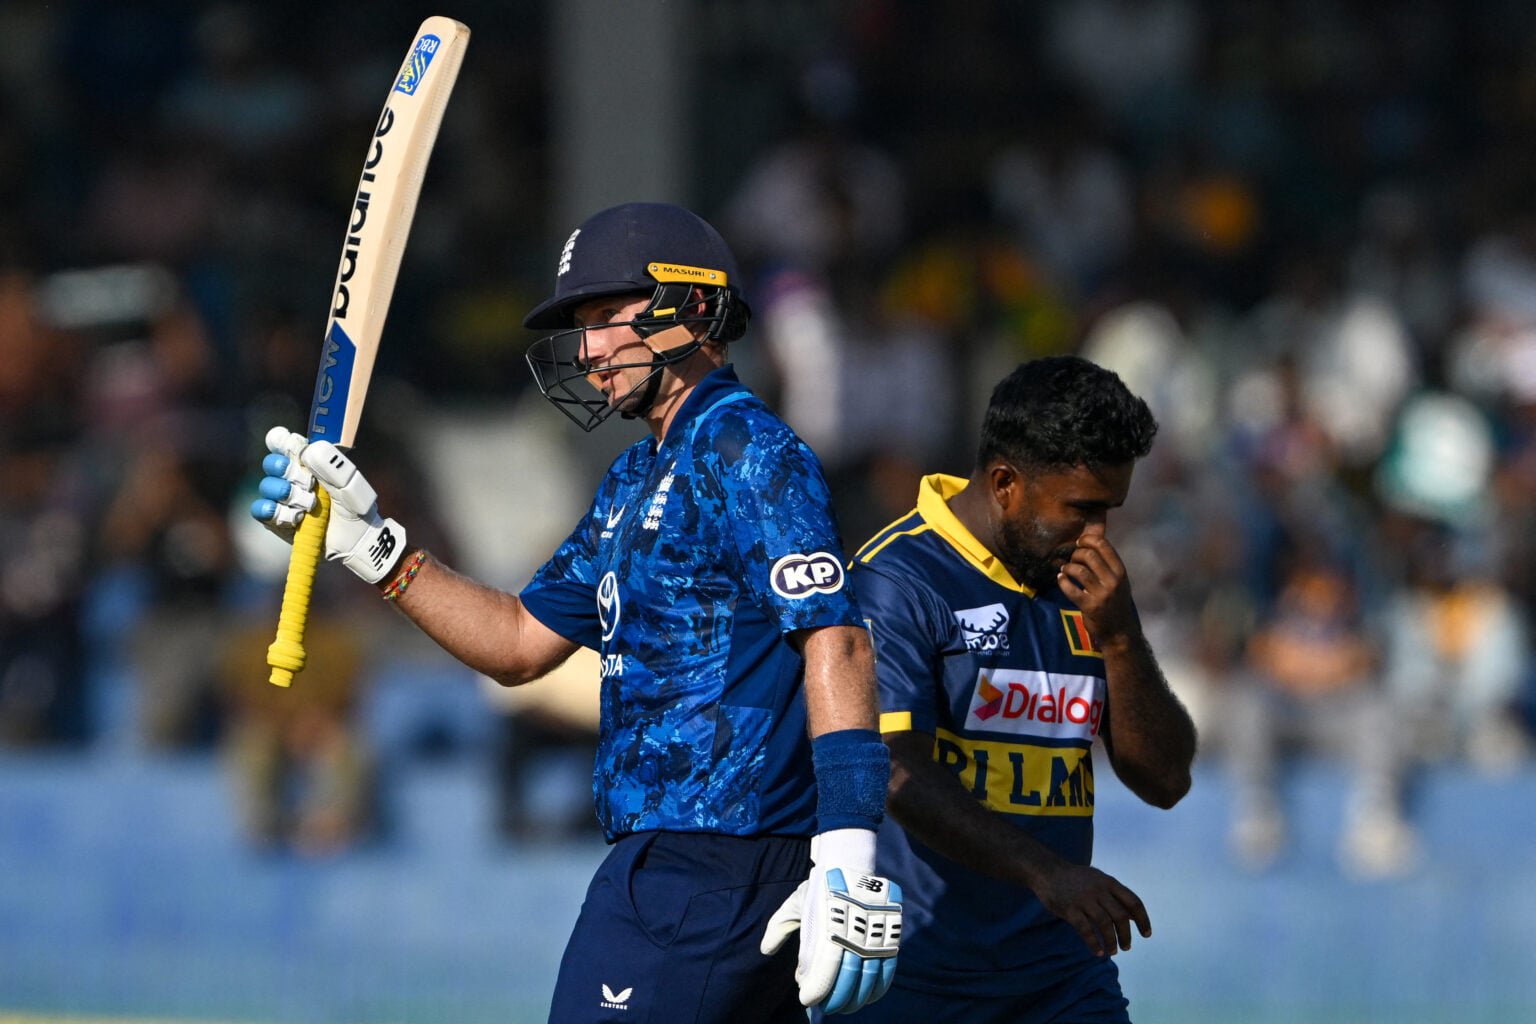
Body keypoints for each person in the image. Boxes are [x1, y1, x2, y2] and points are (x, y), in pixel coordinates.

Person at [250, 202, 901, 1022]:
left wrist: (847, 845)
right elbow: (520, 641)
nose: (588, 350)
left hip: (714, 861)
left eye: (606, 318)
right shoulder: (633, 479)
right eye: (581, 326)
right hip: (681, 861)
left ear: (691, 305)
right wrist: (375, 548)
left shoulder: (747, 448)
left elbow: (836, 639)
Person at [836, 355, 1198, 1023]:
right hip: (918, 974)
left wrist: (1119, 639)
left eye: (1111, 512)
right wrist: (1047, 874)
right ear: (1005, 483)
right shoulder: (898, 579)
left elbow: (1166, 779)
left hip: (1059, 975)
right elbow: (892, 769)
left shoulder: (1089, 588)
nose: (1100, 537)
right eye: (1082, 511)